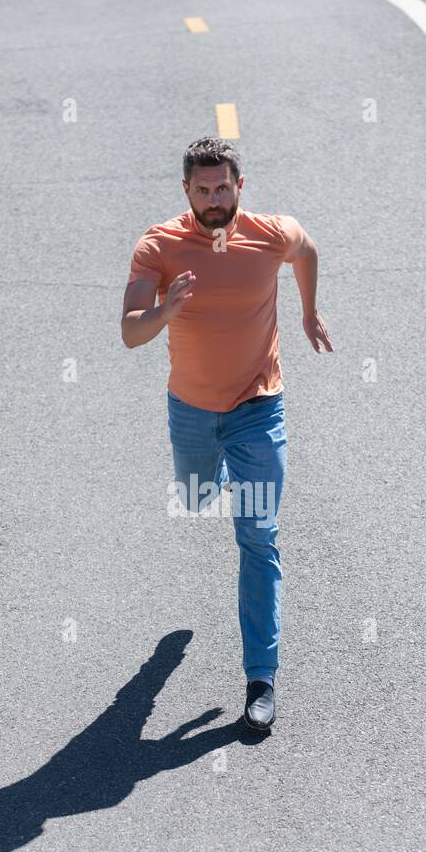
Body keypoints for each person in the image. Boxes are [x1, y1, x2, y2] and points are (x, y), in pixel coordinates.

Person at [121, 137, 332, 731]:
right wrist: (166, 309)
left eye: (223, 187)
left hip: (258, 408)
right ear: (186, 191)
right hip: (191, 409)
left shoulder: (270, 235)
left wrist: (307, 312)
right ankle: (208, 479)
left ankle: (260, 678)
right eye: (202, 189)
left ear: (241, 186)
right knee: (193, 496)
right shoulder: (159, 247)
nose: (214, 199)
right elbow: (130, 332)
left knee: (258, 536)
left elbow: (307, 249)